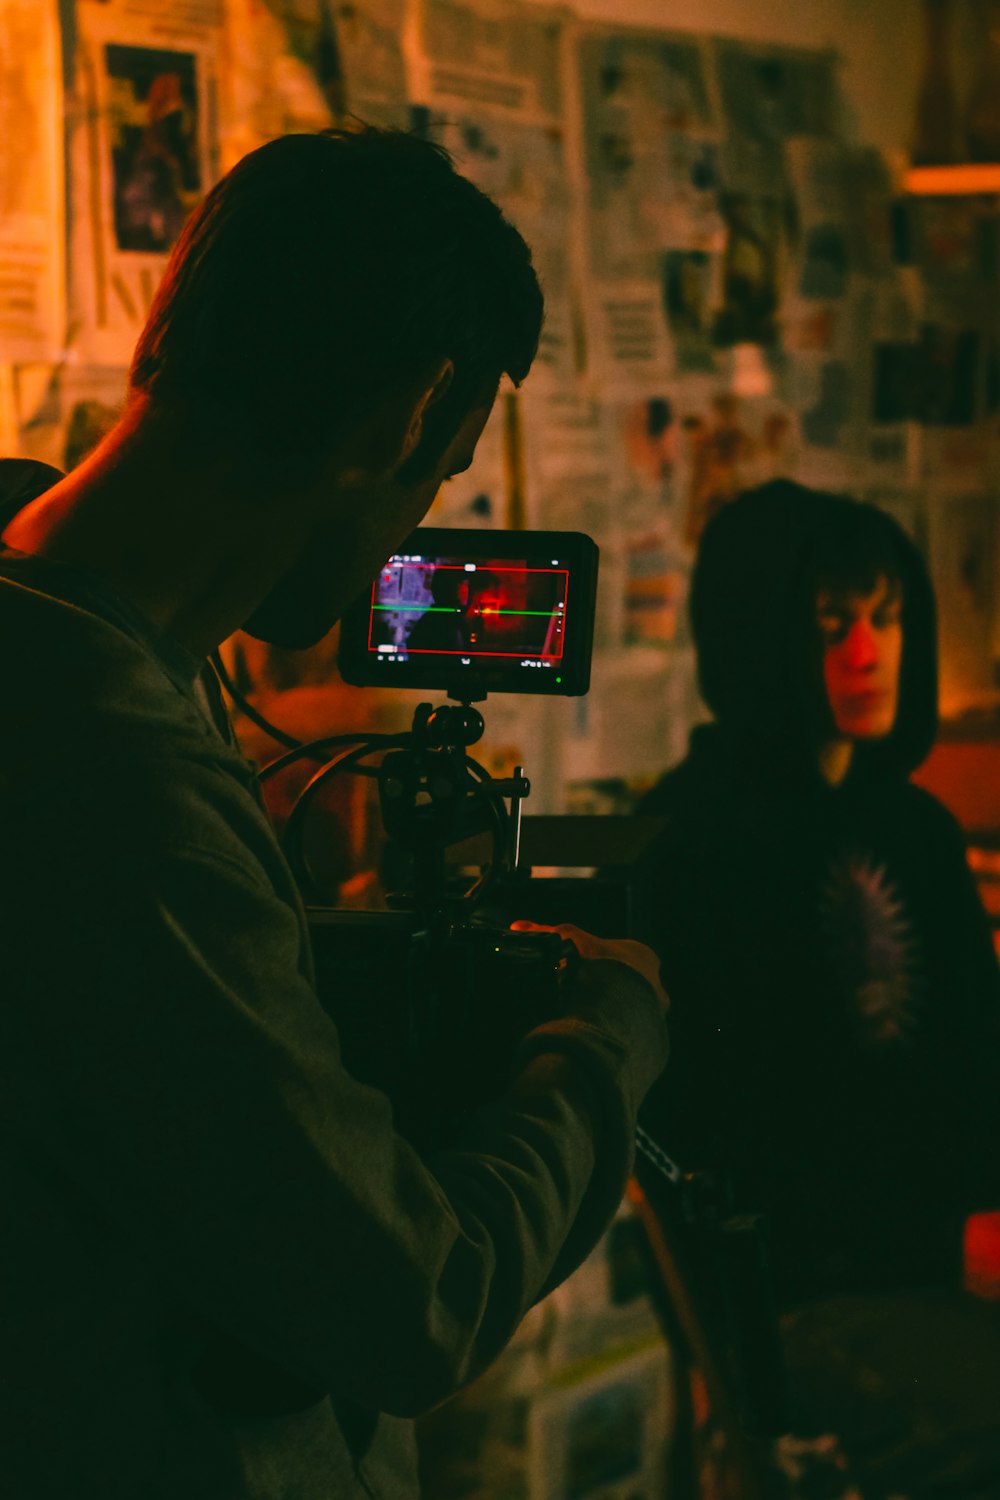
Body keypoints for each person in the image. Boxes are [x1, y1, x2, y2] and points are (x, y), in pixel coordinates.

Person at [0, 129, 668, 1500]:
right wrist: (607, 1043)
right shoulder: (104, 757)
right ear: (404, 418)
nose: (411, 532)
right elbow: (408, 1302)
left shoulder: (91, 642)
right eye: (442, 475)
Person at [629, 478, 1000, 1496]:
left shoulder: (914, 827)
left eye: (885, 619)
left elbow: (977, 1061)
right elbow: (711, 1144)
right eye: (832, 624)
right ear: (760, 638)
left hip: (936, 1270)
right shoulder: (691, 844)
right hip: (805, 1302)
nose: (869, 652)